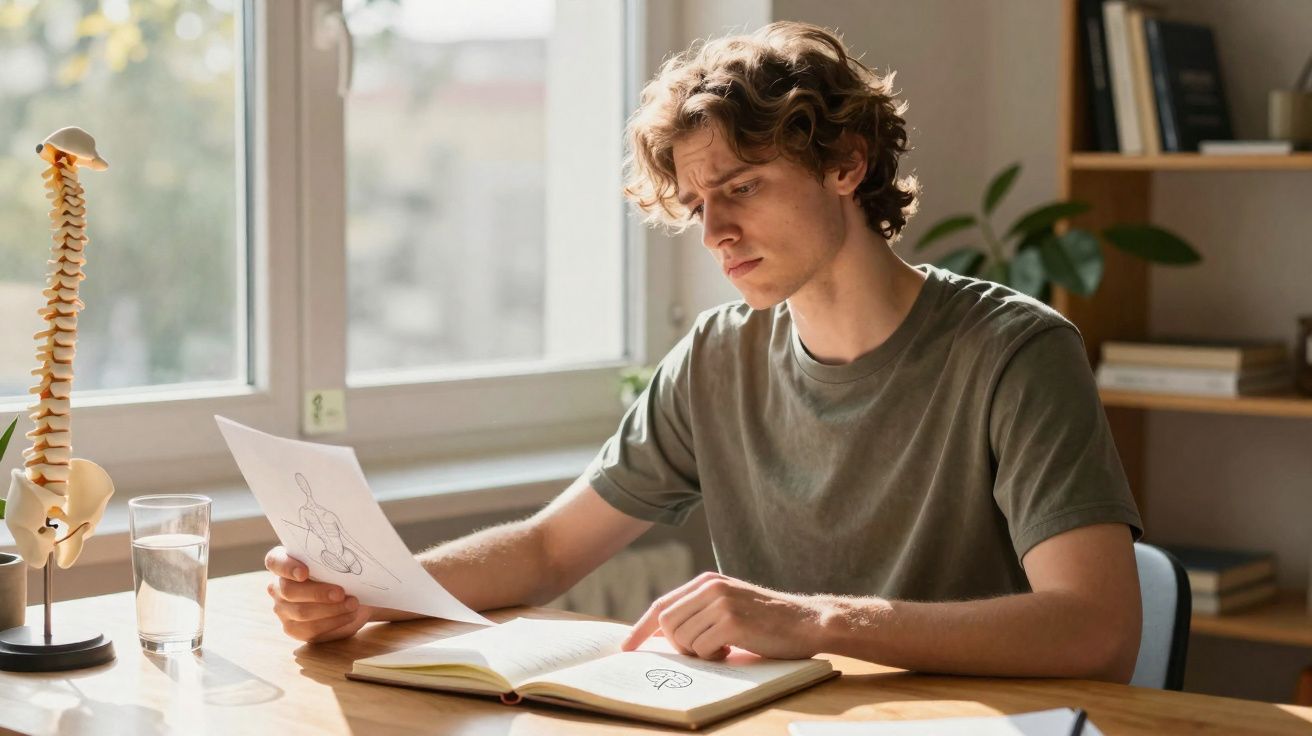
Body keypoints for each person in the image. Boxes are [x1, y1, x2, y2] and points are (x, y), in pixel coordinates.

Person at [264, 21, 1145, 683]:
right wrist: (366, 590)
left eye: (743, 188)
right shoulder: (717, 358)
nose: (715, 231)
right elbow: (548, 551)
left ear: (846, 164)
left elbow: (1097, 628)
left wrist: (817, 622)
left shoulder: (1015, 353)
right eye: (696, 206)